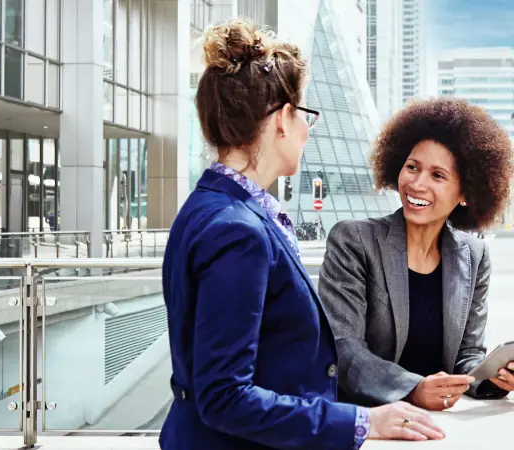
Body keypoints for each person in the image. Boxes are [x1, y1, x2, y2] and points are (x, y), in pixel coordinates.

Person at [159, 18, 444, 450]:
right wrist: (361, 421)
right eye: (305, 115)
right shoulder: (238, 231)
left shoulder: (212, 206)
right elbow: (225, 397)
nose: (308, 130)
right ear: (280, 119)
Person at [318, 98, 514, 412]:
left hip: (438, 424)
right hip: (368, 419)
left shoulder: (474, 255)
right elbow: (344, 348)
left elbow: (468, 356)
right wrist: (412, 389)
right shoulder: (354, 240)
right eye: (412, 167)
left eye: (438, 176)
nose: (417, 184)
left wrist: (492, 377)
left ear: (465, 194)